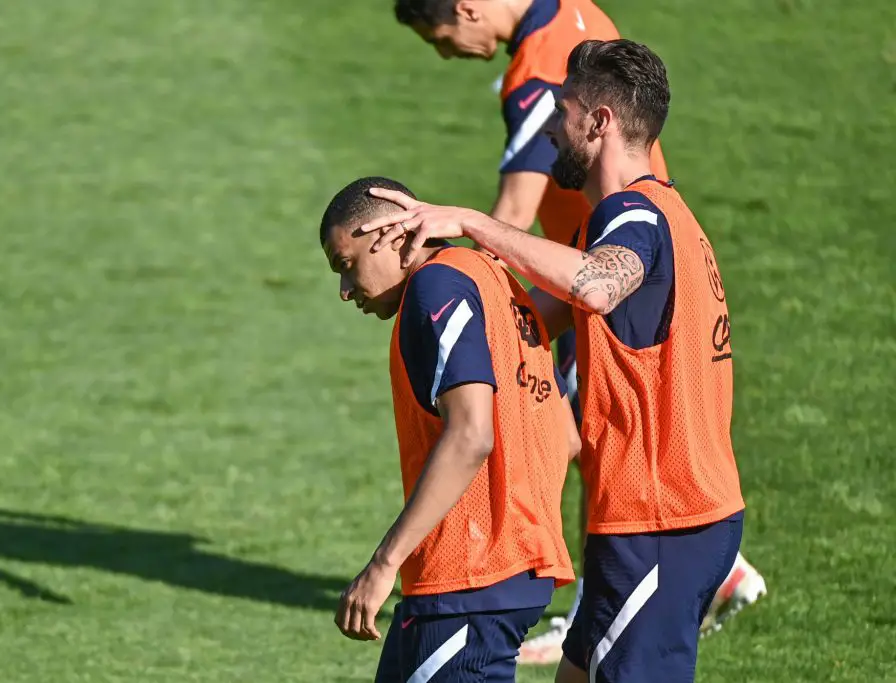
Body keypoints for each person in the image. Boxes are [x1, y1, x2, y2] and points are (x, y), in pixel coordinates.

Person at [355, 40, 761, 682]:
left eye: (561, 110)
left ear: (599, 122)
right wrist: (437, 279)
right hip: (663, 518)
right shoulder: (654, 216)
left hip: (661, 517)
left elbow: (594, 286)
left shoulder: (635, 215)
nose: (548, 128)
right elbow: (523, 323)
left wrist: (470, 223)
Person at [320, 176, 578, 682]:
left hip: (469, 578)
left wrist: (384, 563)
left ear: (390, 235)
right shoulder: (495, 282)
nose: (345, 291)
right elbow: (564, 437)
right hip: (497, 573)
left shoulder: (434, 288)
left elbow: (470, 435)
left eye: (346, 265)